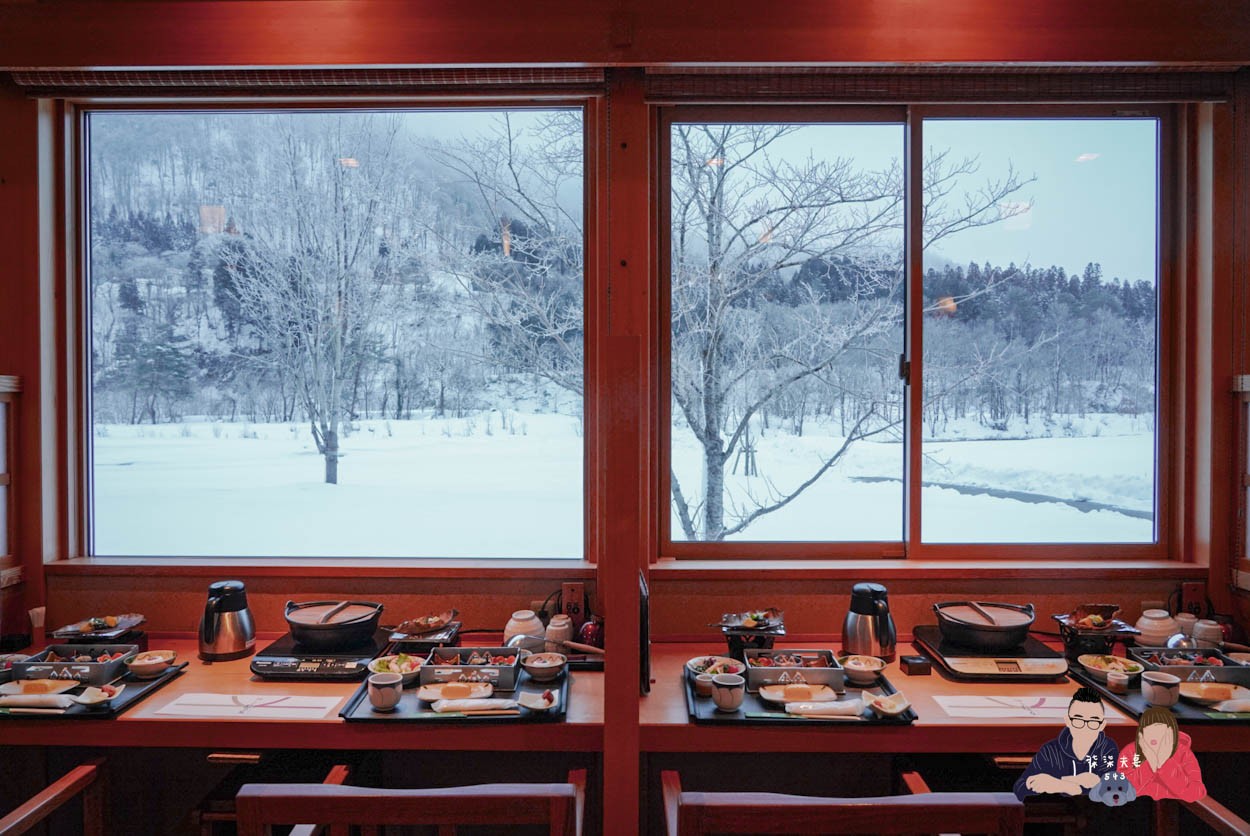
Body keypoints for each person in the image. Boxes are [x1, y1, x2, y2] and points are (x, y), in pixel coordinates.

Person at [1014, 686, 1120, 801]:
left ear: (1102, 725)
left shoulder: (1107, 749)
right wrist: (1068, 784)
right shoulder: (1051, 750)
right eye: (1078, 720)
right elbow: (1019, 789)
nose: (1085, 728)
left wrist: (1062, 784)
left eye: (1093, 722)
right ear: (1068, 721)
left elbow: (1113, 792)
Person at [1117, 706, 1206, 802]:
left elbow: (1195, 792)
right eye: (1148, 729)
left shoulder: (1183, 753)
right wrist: (1149, 764)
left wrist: (1165, 762)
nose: (1153, 735)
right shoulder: (1130, 751)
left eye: (1159, 729)